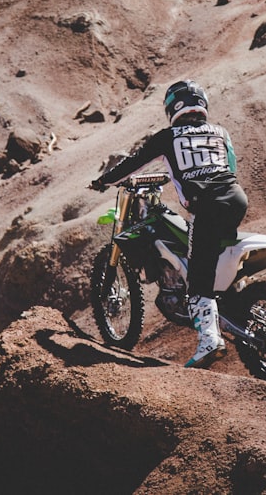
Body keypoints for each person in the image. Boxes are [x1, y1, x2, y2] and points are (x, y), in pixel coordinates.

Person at [90, 80, 248, 368]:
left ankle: (209, 341)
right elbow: (231, 166)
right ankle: (233, 295)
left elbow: (134, 163)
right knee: (215, 249)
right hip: (236, 199)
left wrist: (104, 180)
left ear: (172, 107)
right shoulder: (220, 132)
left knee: (198, 276)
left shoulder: (167, 137)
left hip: (207, 206)